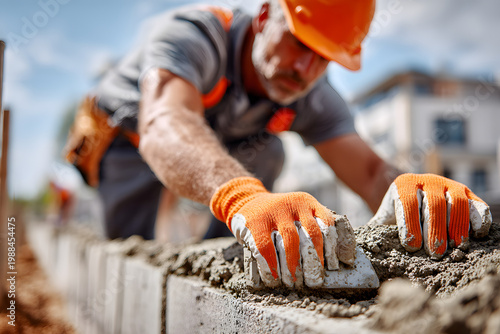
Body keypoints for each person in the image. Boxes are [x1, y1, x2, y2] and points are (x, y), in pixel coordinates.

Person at [65, 0, 492, 288]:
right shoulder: (195, 35)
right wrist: (241, 196)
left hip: (217, 141)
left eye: (323, 57)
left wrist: (413, 190)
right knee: (132, 258)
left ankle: (223, 259)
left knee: (269, 151)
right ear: (267, 15)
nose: (306, 70)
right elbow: (166, 122)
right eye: (299, 43)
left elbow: (367, 171)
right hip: (132, 138)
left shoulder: (312, 94)